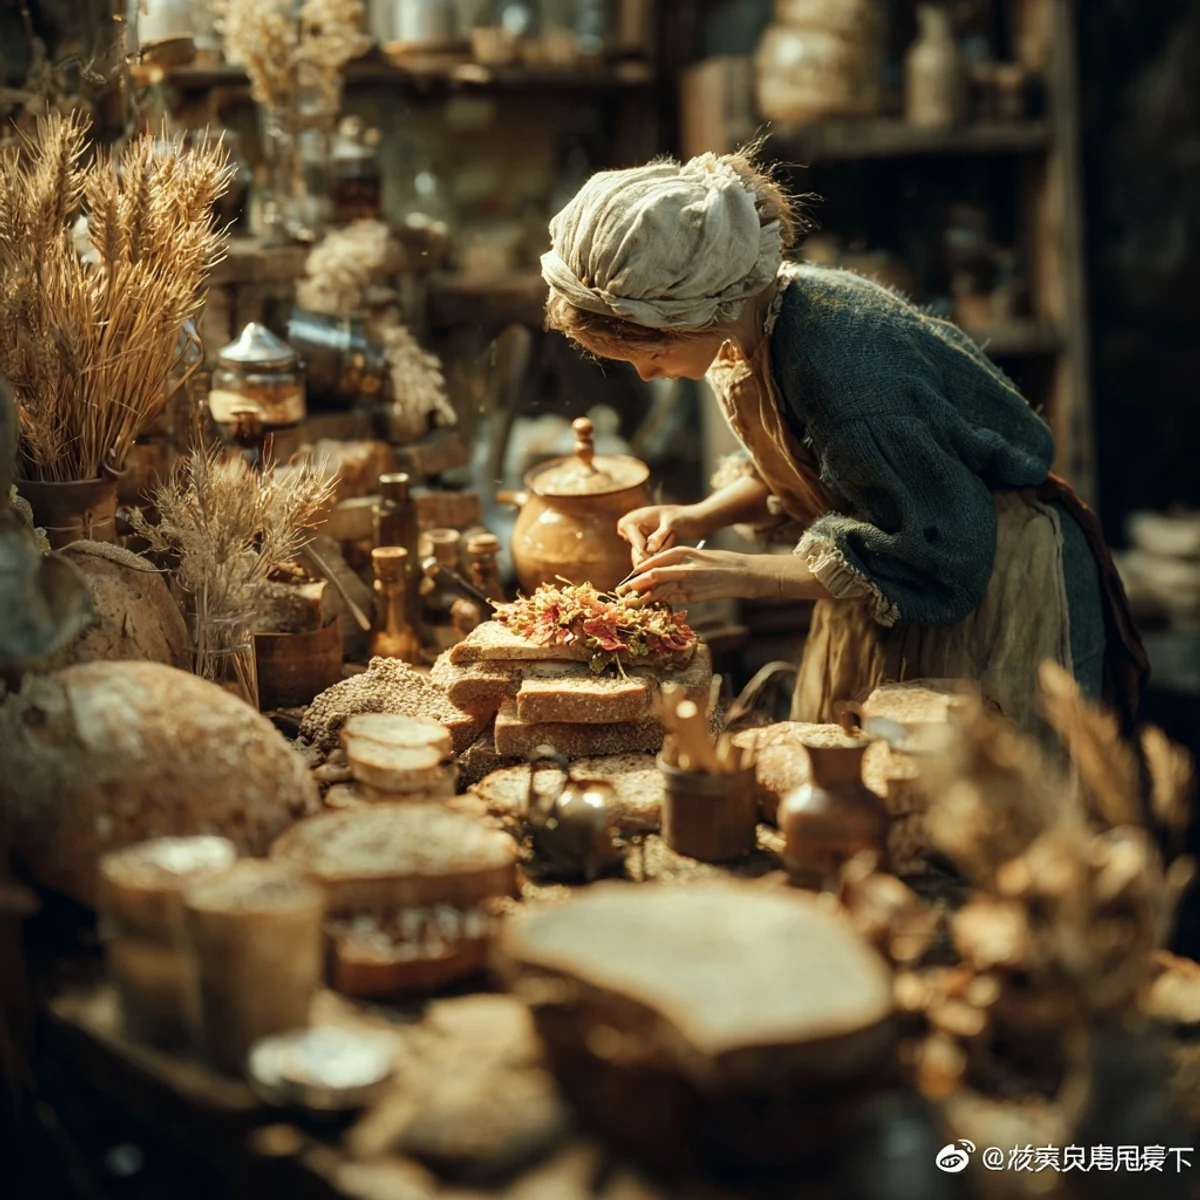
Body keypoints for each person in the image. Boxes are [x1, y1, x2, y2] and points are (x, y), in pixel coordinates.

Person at [540, 149, 1147, 733]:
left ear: (699, 307)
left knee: (959, 785)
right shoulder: (752, 321)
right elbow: (818, 466)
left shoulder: (842, 366)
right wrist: (700, 515)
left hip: (976, 566)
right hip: (896, 558)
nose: (647, 374)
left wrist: (742, 572)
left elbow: (938, 555)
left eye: (650, 352)